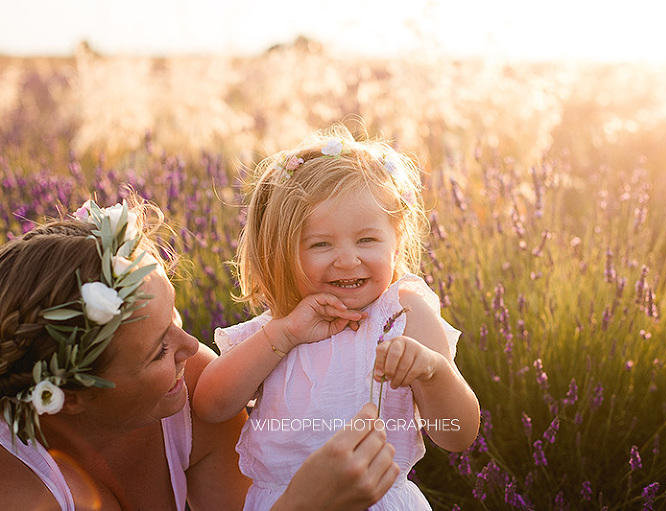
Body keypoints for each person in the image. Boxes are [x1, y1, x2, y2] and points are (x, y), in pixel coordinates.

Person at [0, 196, 400, 511]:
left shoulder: (192, 392)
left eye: (176, 320)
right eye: (157, 350)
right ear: (71, 396)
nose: (192, 347)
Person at [193, 125, 481, 510]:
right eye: (321, 244)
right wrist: (283, 336)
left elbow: (457, 434)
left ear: (396, 241)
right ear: (281, 251)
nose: (347, 259)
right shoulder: (276, 328)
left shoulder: (402, 314)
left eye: (367, 240)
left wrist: (433, 372)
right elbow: (211, 405)